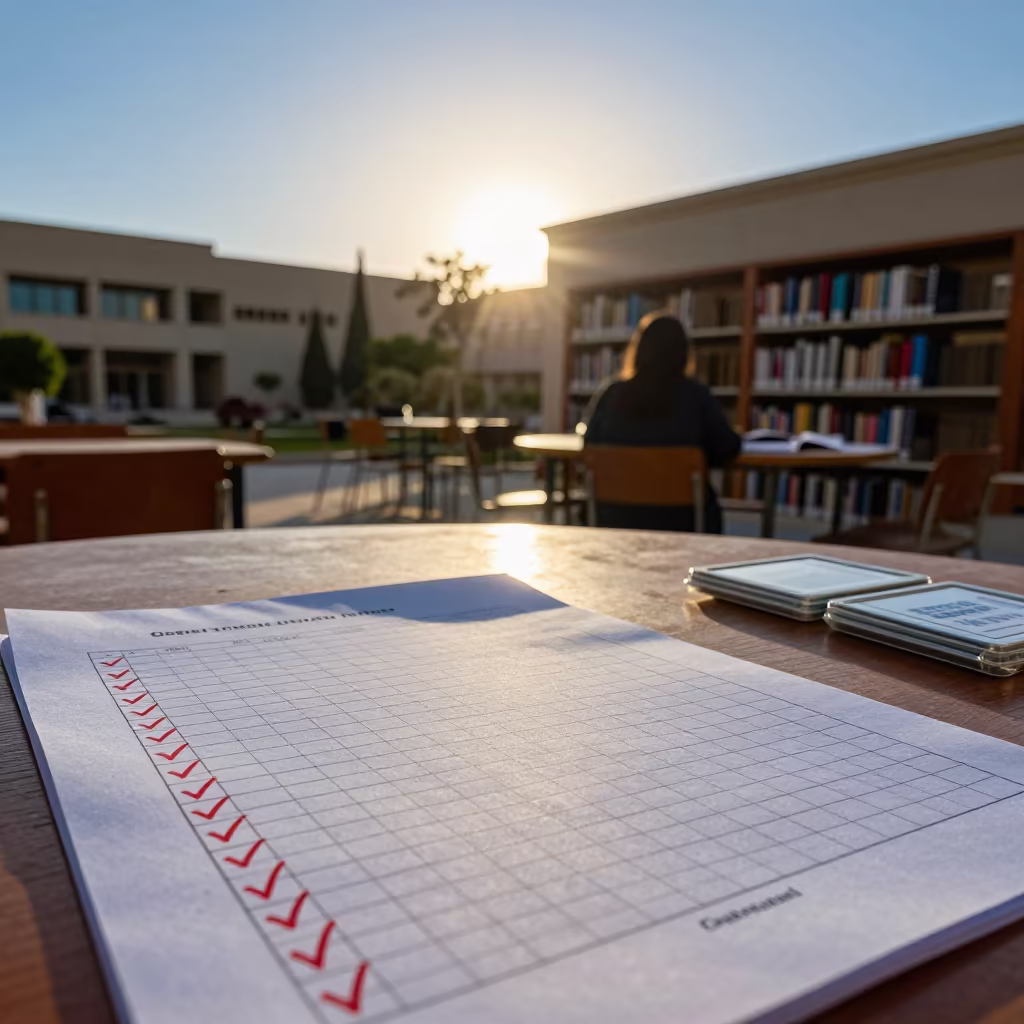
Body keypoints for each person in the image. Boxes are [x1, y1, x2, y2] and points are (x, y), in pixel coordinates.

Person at [583, 311, 741, 532]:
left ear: (638, 350)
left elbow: (589, 444)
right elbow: (726, 448)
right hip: (683, 520)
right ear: (684, 353)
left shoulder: (611, 394)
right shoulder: (696, 397)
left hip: (615, 518)